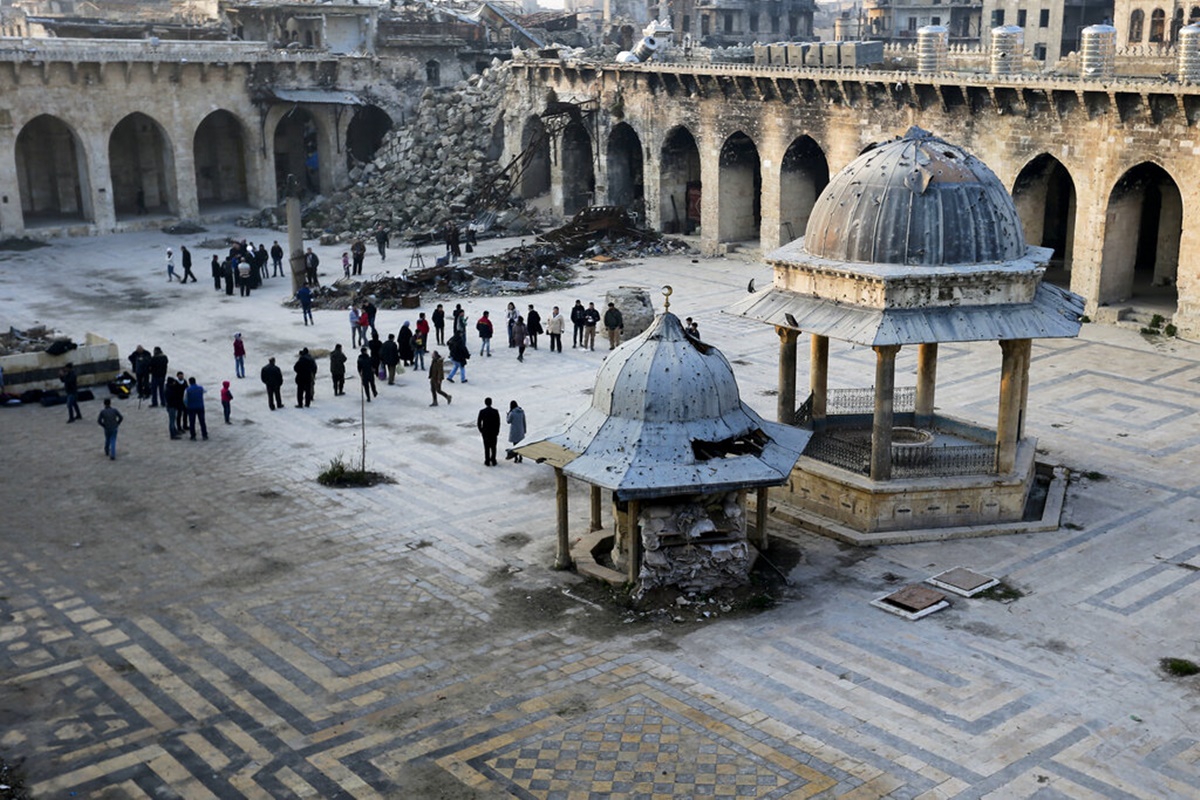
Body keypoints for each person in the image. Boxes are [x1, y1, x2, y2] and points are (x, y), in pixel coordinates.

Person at [477, 397, 501, 466]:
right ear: (491, 402)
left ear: (485, 403)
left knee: (486, 447)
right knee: (493, 447)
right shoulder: (495, 411)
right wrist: (497, 431)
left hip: (486, 432)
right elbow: (498, 422)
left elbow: (479, 422)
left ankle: (487, 460)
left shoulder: (482, 411)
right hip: (493, 432)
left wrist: (481, 430)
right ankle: (493, 460)